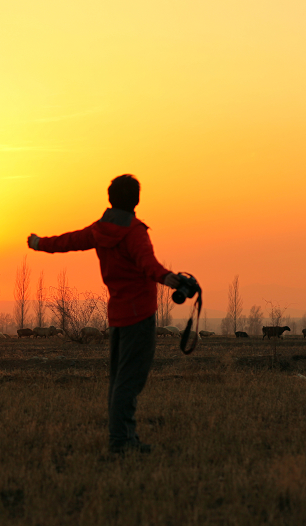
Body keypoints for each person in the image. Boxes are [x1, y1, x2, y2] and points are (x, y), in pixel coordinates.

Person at [27, 174, 181, 455]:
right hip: (140, 316)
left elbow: (67, 241)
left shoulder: (100, 229)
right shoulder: (134, 232)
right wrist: (168, 277)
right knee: (130, 380)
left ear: (110, 199)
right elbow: (148, 263)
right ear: (137, 199)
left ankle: (125, 438)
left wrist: (39, 243)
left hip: (118, 316)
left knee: (120, 378)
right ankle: (121, 442)